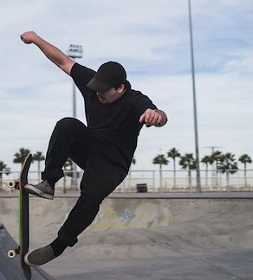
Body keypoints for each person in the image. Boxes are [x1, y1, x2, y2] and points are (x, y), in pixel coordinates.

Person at [20, 31, 168, 266]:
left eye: (104, 91)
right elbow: (62, 61)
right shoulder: (93, 85)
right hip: (91, 147)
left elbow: (160, 115)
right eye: (96, 88)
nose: (98, 94)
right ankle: (49, 183)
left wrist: (156, 116)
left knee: (90, 195)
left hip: (112, 164)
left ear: (120, 88)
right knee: (66, 125)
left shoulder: (134, 100)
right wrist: (37, 39)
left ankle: (57, 246)